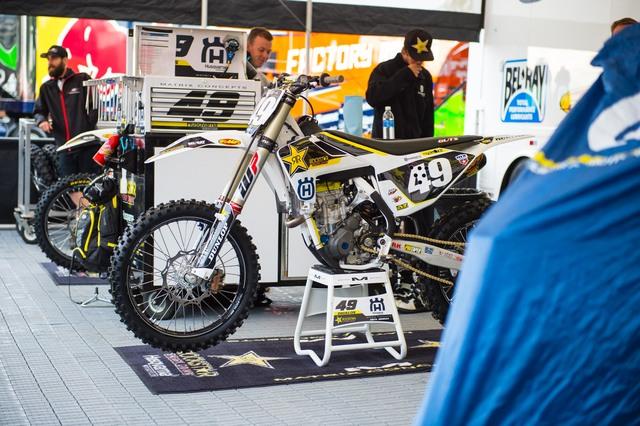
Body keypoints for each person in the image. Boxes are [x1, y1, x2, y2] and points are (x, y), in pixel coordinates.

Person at [34, 45, 98, 177]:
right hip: (63, 148)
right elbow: (39, 111)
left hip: (86, 146)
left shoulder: (82, 79)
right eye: (48, 59)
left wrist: (88, 126)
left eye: (54, 59)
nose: (50, 63)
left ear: (64, 60)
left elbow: (95, 106)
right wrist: (42, 121)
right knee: (67, 185)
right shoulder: (46, 88)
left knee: (89, 183)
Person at [366, 29, 435, 140]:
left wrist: (427, 143)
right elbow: (372, 98)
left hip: (414, 144)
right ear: (405, 51)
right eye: (415, 57)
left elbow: (428, 116)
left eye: (423, 58)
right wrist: (405, 74)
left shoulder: (425, 76)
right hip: (385, 142)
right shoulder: (385, 69)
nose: (419, 61)